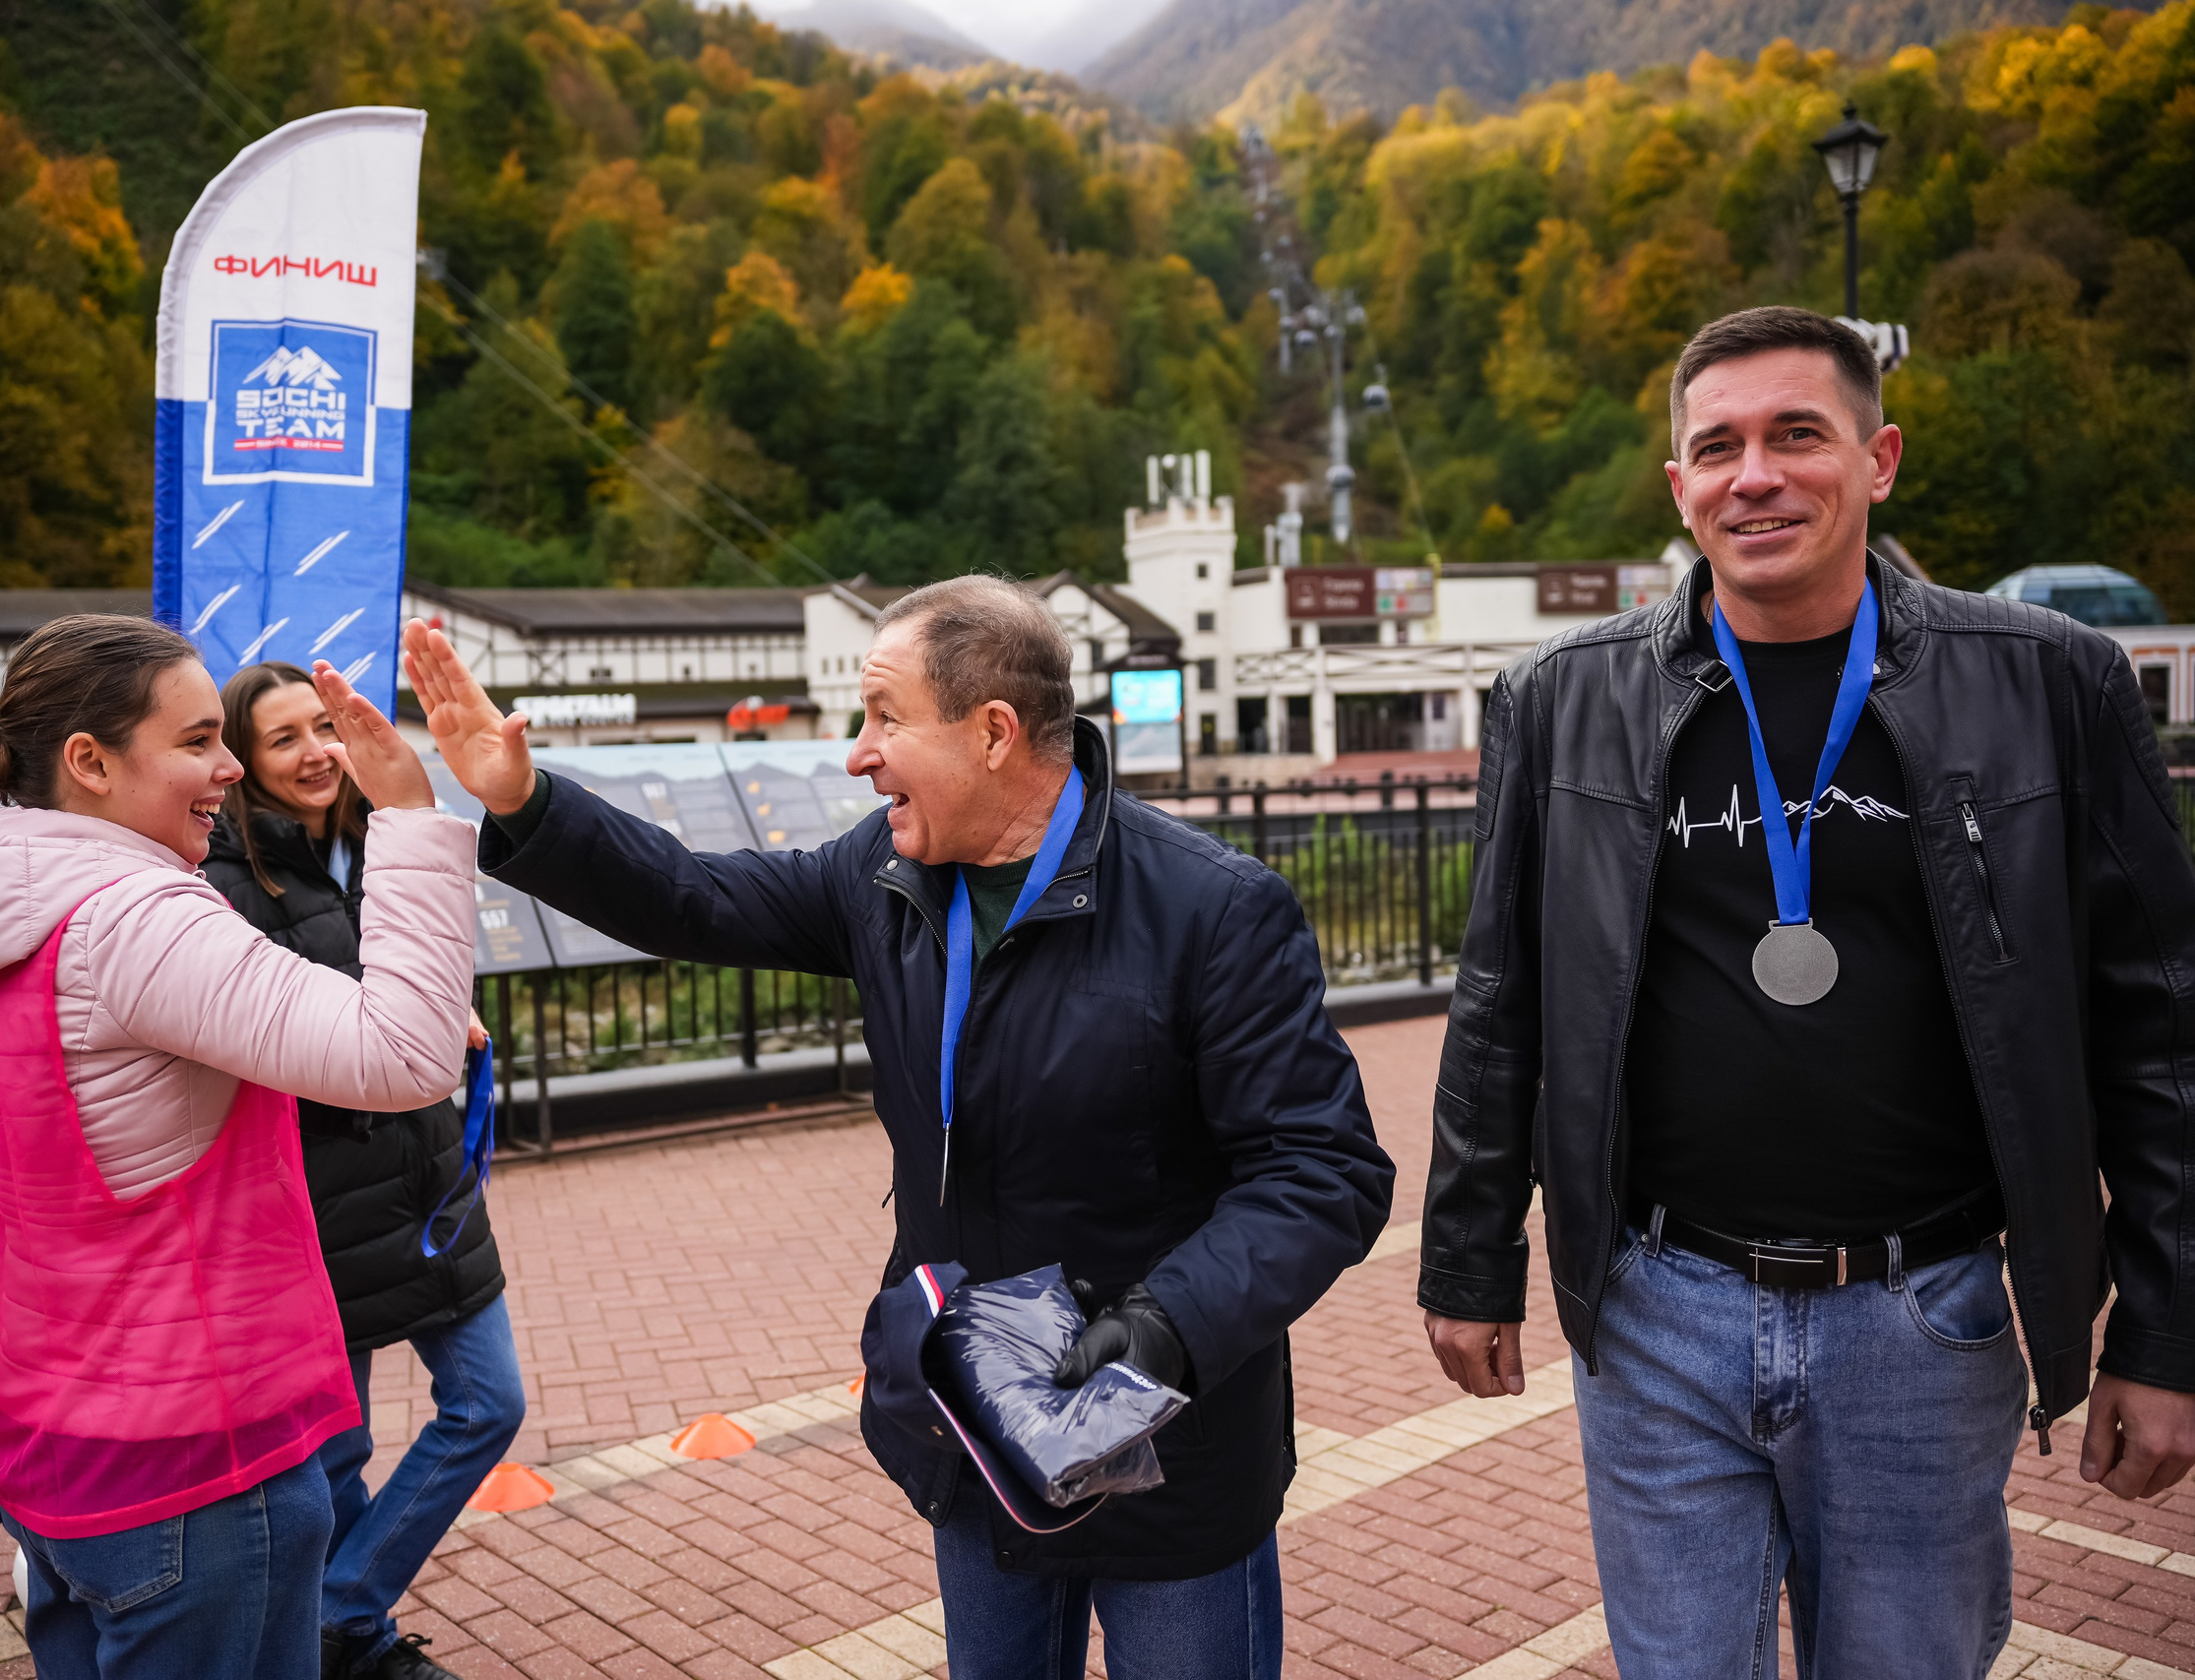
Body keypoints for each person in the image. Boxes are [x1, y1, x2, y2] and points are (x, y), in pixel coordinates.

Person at [404, 578, 1395, 1680]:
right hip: (970, 1427)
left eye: (883, 716)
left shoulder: (1211, 907)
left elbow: (1321, 1170)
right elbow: (692, 895)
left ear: (992, 733)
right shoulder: (883, 875)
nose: (855, 754)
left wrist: (1162, 1329)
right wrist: (526, 802)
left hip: (1166, 1438)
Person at [1419, 305, 2195, 1676]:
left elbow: (2161, 1028)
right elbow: (1503, 999)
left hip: (1924, 1314)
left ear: (1879, 456)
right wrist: (1470, 1256)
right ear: (1678, 486)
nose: (1754, 474)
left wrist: (2168, 1323)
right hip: (1654, 1313)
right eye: (1715, 447)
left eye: (1797, 434)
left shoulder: (2050, 682)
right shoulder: (1561, 697)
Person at [0, 616, 475, 1679]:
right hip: (196, 1465)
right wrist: (415, 820)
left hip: (54, 1446)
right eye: (200, 740)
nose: (231, 766)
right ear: (91, 762)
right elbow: (405, 1058)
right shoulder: (134, 917)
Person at [205, 661, 522, 1680]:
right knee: (332, 1456)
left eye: (323, 728)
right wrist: (393, 1038)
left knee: (489, 1403)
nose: (315, 753)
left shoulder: (376, 836)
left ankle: (338, 1612)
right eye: (284, 737)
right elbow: (260, 1041)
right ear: (243, 762)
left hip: (425, 1180)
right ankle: (361, 1640)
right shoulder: (224, 881)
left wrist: (436, 1023)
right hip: (317, 1198)